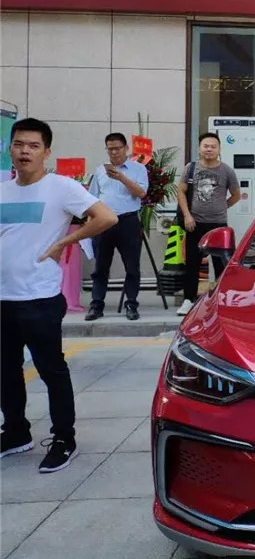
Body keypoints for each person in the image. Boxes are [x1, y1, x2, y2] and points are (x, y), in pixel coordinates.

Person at [1, 118, 117, 472]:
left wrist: (65, 242)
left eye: (33, 146)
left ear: (46, 153)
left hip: (39, 297)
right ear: (10, 148)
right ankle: (17, 432)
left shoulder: (61, 188)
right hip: (4, 298)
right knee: (5, 372)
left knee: (52, 370)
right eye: (19, 144)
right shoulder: (3, 190)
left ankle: (64, 438)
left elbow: (106, 217)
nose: (25, 151)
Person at [85, 133, 149, 322]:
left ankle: (131, 303)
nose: (114, 153)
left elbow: (141, 193)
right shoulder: (99, 171)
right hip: (103, 221)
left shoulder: (138, 169)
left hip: (128, 221)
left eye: (117, 148)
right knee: (100, 265)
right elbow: (92, 198)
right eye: (110, 149)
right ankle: (97, 304)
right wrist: (90, 220)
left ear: (126, 148)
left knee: (132, 265)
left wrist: (121, 177)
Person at [175, 132, 240, 316]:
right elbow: (181, 192)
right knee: (192, 264)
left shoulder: (226, 170)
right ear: (199, 148)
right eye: (206, 146)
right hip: (194, 223)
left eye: (213, 146)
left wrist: (222, 207)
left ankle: (220, 301)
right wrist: (187, 215)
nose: (209, 149)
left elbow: (236, 194)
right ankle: (189, 300)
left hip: (219, 224)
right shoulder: (191, 168)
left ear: (219, 149)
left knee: (221, 265)